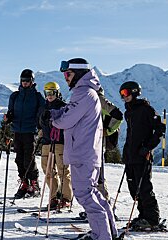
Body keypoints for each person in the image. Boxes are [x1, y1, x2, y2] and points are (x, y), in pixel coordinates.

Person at [50, 58, 117, 239]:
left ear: (79, 74)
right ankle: (109, 232)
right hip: (87, 152)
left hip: (82, 152)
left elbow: (67, 120)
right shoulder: (88, 92)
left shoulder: (84, 92)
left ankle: (102, 236)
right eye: (64, 74)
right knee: (93, 193)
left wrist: (54, 119)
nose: (65, 78)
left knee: (85, 195)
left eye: (68, 74)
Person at [119, 81, 165, 230]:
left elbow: (160, 129)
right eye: (121, 94)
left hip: (142, 156)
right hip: (131, 156)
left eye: (125, 93)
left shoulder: (146, 110)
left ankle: (152, 219)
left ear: (134, 92)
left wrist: (147, 147)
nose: (123, 97)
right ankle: (143, 215)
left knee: (144, 187)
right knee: (133, 188)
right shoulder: (129, 112)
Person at [79, 87, 123, 220]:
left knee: (98, 178)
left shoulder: (99, 100)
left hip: (97, 145)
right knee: (91, 177)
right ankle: (96, 208)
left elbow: (118, 115)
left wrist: (107, 130)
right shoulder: (86, 99)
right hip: (87, 144)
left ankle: (106, 209)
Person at [4, 69, 45, 199]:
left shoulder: (37, 97)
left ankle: (34, 184)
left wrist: (40, 127)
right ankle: (24, 183)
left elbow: (42, 113)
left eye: (27, 81)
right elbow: (11, 111)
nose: (25, 83)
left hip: (30, 131)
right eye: (23, 81)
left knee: (29, 159)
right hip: (17, 130)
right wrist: (8, 118)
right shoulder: (15, 96)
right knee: (19, 159)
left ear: (32, 82)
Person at [38, 81, 73, 209]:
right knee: (48, 171)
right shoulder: (43, 107)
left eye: (52, 92)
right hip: (47, 142)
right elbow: (40, 123)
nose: (50, 95)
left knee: (63, 170)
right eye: (47, 93)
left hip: (60, 142)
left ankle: (66, 197)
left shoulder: (63, 107)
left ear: (57, 93)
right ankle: (53, 197)